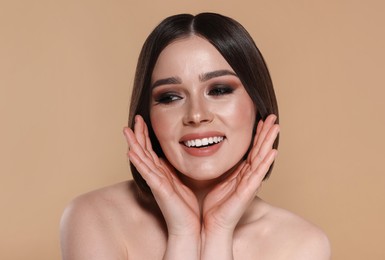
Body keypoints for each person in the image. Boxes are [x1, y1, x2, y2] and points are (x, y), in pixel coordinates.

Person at [60, 12, 331, 259]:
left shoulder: (301, 244)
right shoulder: (95, 218)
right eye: (170, 96)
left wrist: (218, 232)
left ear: (257, 105)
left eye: (219, 90)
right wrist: (183, 234)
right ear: (147, 117)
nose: (196, 115)